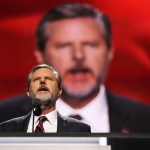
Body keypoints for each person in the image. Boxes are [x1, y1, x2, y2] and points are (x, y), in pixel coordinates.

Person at [0, 2, 150, 133]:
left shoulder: (145, 121)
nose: (78, 55)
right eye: (64, 46)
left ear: (110, 52)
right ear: (40, 55)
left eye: (90, 45)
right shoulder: (4, 117)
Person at [0, 64, 91, 132]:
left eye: (48, 79)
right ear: (28, 92)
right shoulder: (6, 128)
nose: (42, 81)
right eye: (36, 79)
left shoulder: (80, 129)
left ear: (59, 91)